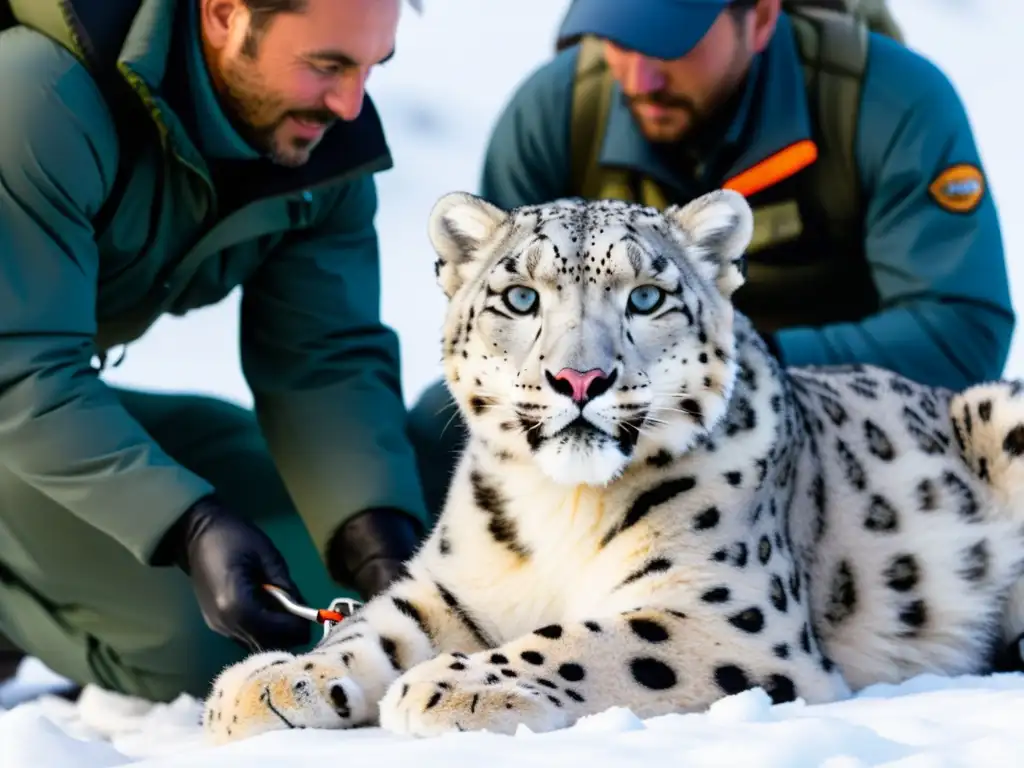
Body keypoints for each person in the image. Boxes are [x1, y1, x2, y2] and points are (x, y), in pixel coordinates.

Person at [405, 0, 1017, 514]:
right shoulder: (555, 110)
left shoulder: (888, 101)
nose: (638, 77)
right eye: (617, 39)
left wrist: (742, 370)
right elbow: (500, 323)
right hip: (616, 398)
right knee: (437, 429)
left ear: (761, 18)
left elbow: (959, 330)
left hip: (833, 437)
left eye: (670, 44)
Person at [0, 0, 432, 703]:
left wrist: (372, 527)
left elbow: (321, 351)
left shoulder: (319, 134)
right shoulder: (35, 98)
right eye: (326, 66)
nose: (351, 105)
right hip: (17, 390)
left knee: (306, 540)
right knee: (204, 645)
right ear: (224, 13)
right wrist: (185, 523)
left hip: (43, 394)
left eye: (369, 68)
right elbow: (18, 370)